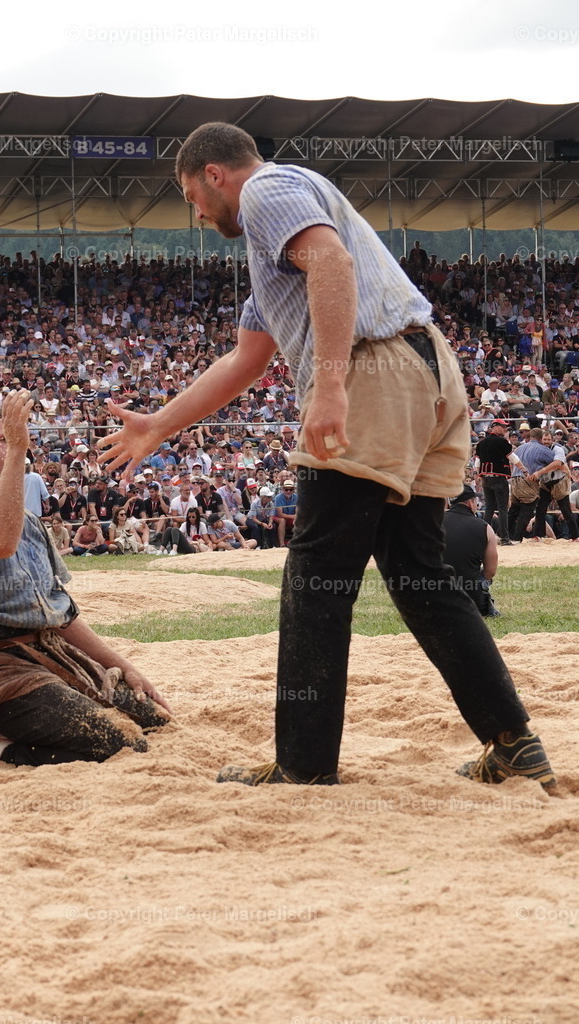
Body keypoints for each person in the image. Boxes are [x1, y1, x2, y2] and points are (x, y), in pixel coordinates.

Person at [97, 122, 556, 792]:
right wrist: (158, 426)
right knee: (419, 574)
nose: (195, 212)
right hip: (429, 372)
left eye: (191, 195)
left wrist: (332, 383)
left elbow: (332, 264)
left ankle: (304, 763)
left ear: (214, 174)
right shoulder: (274, 251)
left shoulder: (266, 190)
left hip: (374, 372)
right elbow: (246, 359)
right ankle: (513, 742)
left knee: (317, 573)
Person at [0, 395, 170, 766]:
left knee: (158, 723)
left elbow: (60, 612)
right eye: (3, 438)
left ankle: (26, 730)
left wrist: (125, 667)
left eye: (14, 438)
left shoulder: (29, 522)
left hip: (57, 657)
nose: (16, 443)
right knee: (119, 744)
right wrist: (18, 449)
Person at [443, 485, 500, 617]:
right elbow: (490, 571)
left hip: (433, 599)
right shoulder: (485, 528)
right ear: (470, 503)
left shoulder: (432, 523)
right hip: (472, 602)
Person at [474, 419, 514, 544]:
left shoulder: (481, 443)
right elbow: (512, 457)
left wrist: (479, 475)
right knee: (502, 509)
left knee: (489, 508)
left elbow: (477, 463)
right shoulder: (502, 442)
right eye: (503, 427)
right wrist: (523, 469)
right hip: (499, 477)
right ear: (495, 427)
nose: (505, 429)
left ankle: (483, 537)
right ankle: (505, 538)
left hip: (486, 478)